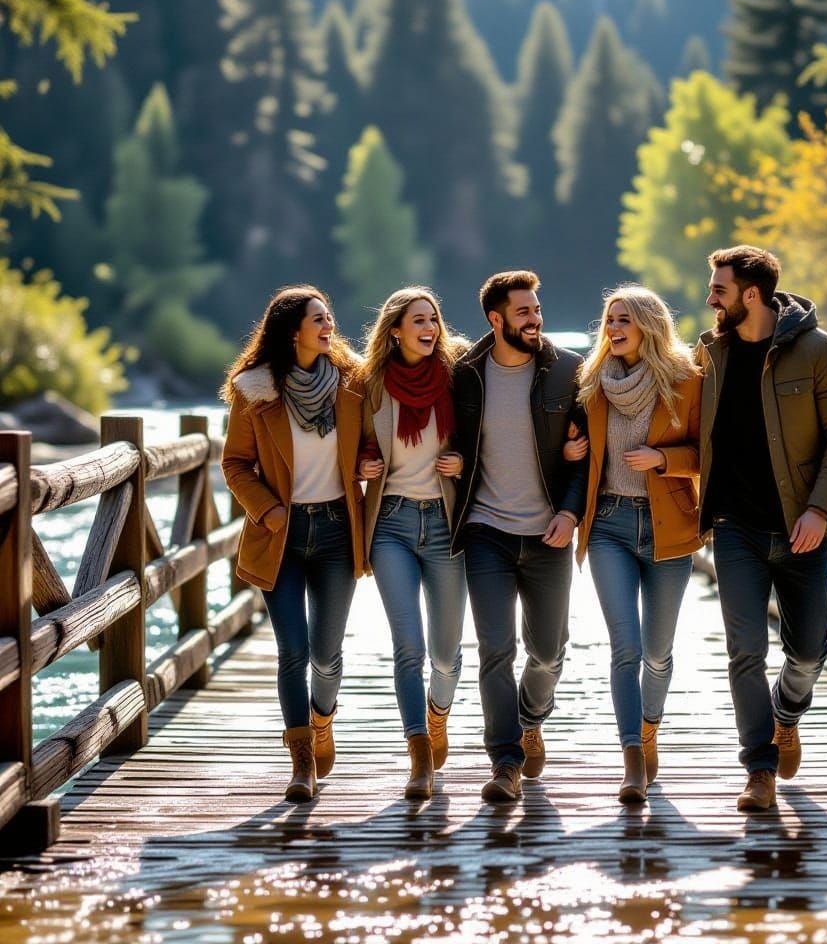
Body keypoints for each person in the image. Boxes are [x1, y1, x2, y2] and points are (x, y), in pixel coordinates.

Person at [697, 246, 827, 812]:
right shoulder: (710, 355)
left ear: (751, 294)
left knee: (809, 653)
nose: (709, 298)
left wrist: (820, 509)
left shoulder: (820, 352)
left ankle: (786, 715)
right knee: (744, 651)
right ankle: (759, 769)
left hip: (800, 528)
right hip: (736, 530)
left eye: (718, 288)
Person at [221, 285, 367, 803]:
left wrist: (368, 463)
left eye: (329, 317)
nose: (329, 326)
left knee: (326, 657)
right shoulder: (256, 389)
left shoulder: (352, 383)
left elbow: (373, 439)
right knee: (293, 653)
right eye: (318, 319)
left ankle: (322, 720)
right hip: (279, 534)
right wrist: (269, 508)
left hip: (335, 532)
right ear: (293, 331)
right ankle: (301, 763)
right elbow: (234, 463)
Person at [450, 270, 586, 802]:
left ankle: (532, 720)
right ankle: (504, 761)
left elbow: (585, 454)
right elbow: (451, 435)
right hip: (486, 532)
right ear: (496, 318)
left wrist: (571, 513)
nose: (535, 320)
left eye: (537, 310)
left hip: (548, 531)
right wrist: (457, 459)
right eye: (524, 312)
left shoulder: (567, 371)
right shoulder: (465, 374)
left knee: (549, 652)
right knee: (494, 650)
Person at [564, 286, 702, 804]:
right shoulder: (591, 384)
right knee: (626, 649)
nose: (613, 328)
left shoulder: (687, 382)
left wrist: (664, 461)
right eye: (609, 320)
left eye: (623, 319)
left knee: (659, 654)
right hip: (609, 527)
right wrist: (570, 448)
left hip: (669, 528)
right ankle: (632, 762)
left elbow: (703, 451)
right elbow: (574, 451)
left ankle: (650, 733)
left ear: (648, 324)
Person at [354, 287, 467, 801]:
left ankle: (437, 714)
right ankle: (418, 756)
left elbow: (486, 436)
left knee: (445, 655)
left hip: (446, 525)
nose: (430, 328)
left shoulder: (460, 375)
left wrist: (461, 462)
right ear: (394, 330)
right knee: (409, 650)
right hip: (392, 524)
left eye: (434, 320)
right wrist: (361, 465)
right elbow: (350, 447)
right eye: (418, 320)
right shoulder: (371, 384)